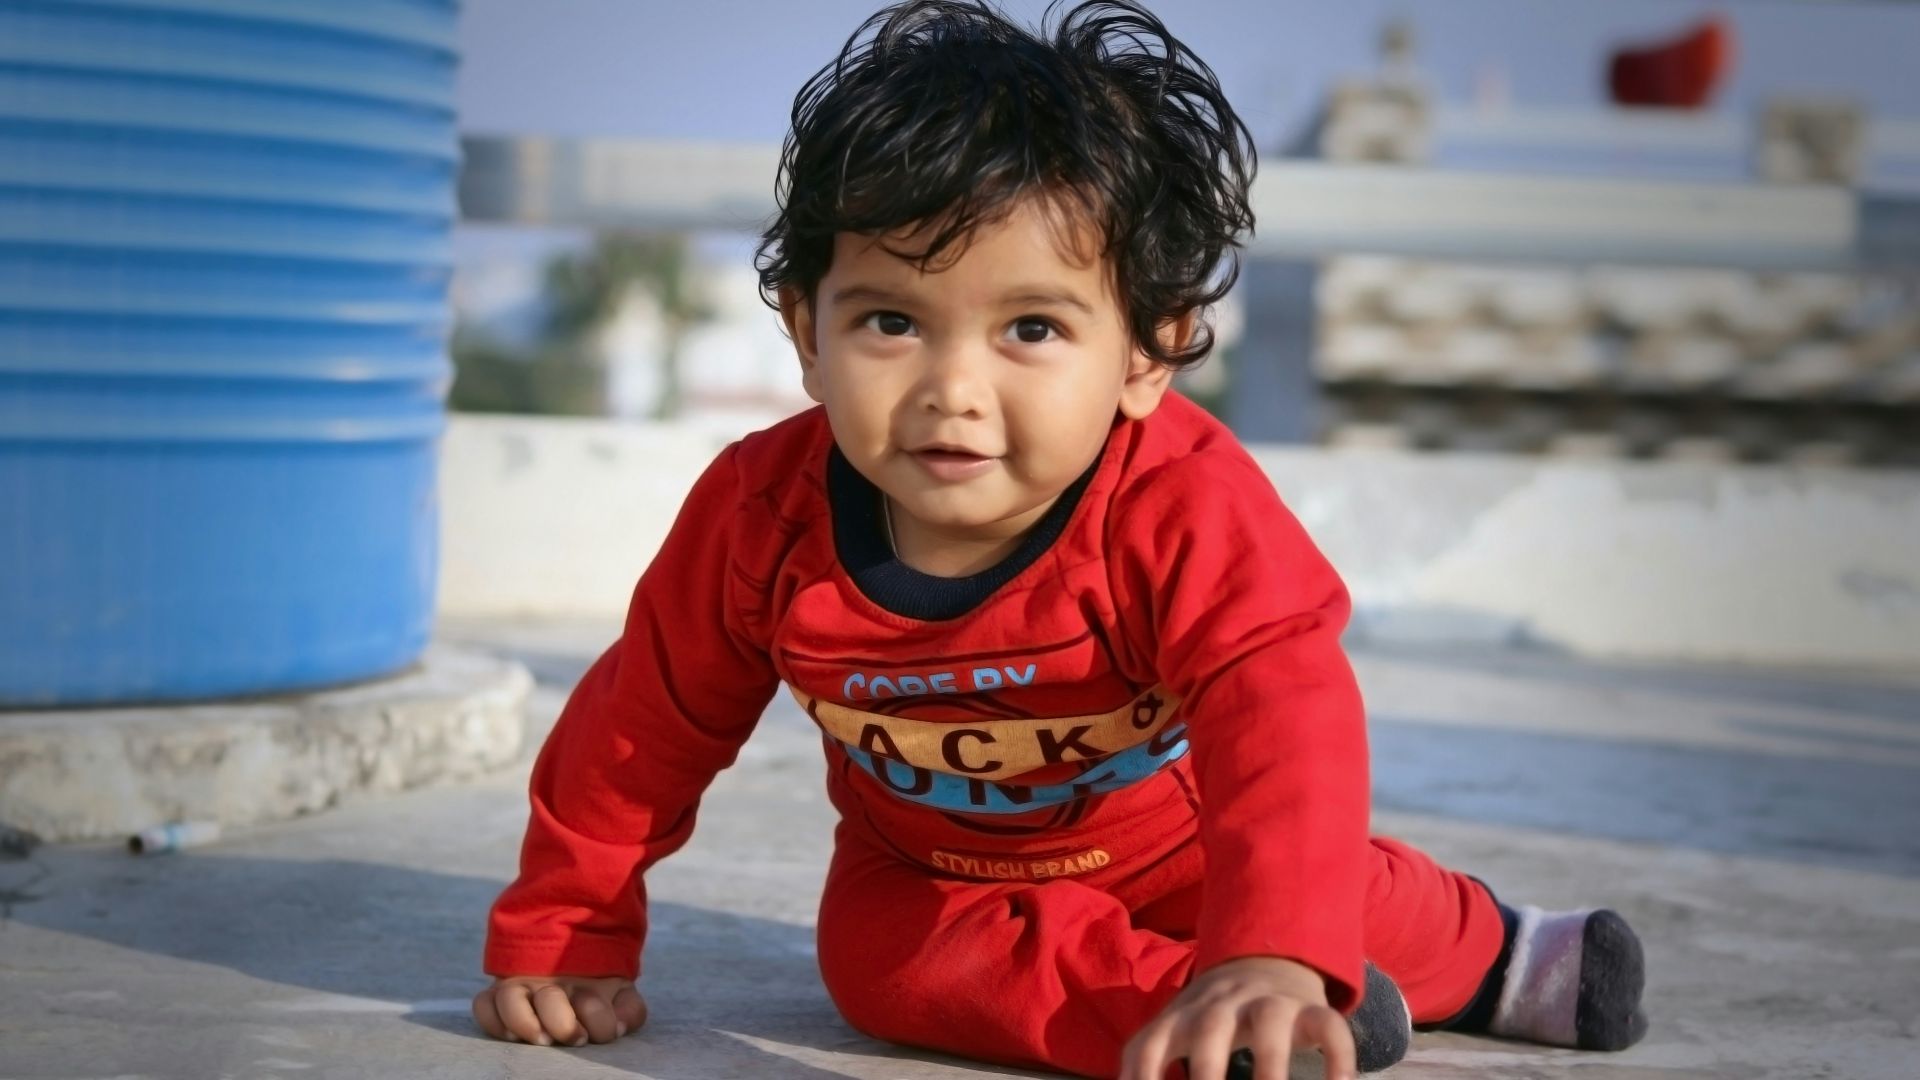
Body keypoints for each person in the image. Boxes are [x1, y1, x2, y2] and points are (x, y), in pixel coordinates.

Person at [470, 3, 1649, 1077]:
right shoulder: (758, 518)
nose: (952, 388)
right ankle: (1206, 1033)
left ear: (1149, 348)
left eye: (1030, 327)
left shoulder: (1177, 500)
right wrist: (567, 926)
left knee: (1325, 889)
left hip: (1190, 848)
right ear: (806, 330)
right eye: (891, 320)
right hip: (928, 872)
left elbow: (1279, 712)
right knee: (881, 966)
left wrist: (1274, 945)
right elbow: (643, 727)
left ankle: (1506, 958)